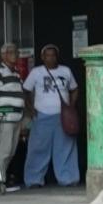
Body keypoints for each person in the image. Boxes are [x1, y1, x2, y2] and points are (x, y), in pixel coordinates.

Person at [23, 45, 81, 189]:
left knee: (65, 148)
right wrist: (31, 110)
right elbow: (25, 90)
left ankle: (68, 179)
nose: (51, 58)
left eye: (53, 55)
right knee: (38, 148)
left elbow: (74, 89)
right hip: (42, 115)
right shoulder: (36, 72)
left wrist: (71, 106)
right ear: (42, 57)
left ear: (57, 56)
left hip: (63, 117)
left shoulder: (65, 71)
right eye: (47, 55)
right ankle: (34, 180)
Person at [0, 57, 26, 195]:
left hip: (16, 118)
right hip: (4, 118)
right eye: (13, 53)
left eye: (16, 52)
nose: (16, 55)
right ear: (4, 55)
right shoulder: (0, 71)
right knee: (4, 151)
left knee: (10, 152)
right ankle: (0, 182)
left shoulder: (15, 73)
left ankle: (1, 179)